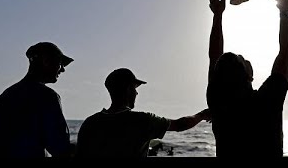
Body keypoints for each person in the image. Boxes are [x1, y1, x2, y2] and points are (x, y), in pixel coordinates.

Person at [206, 0, 288, 157]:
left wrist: (217, 16)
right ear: (248, 76)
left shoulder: (218, 103)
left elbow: (214, 57)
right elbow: (286, 53)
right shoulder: (267, 100)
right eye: (241, 60)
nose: (242, 56)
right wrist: (284, 13)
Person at [75, 68, 210, 158]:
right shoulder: (142, 120)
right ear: (128, 89)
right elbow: (180, 125)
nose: (137, 92)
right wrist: (202, 115)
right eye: (135, 88)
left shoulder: (90, 123)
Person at [0, 42, 74, 158]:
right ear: (46, 61)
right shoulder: (47, 96)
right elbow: (60, 148)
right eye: (60, 64)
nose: (62, 70)